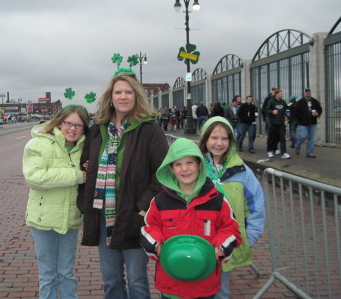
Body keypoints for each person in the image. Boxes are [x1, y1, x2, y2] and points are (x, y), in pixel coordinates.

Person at [78, 70, 169, 299]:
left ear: (136, 96)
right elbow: (84, 166)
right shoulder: (98, 130)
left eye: (128, 92)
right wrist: (84, 202)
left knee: (137, 280)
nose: (123, 97)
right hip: (102, 214)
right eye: (118, 92)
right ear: (110, 97)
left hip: (133, 215)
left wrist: (142, 206)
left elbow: (163, 173)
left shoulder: (149, 130)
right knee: (111, 280)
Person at [140, 138, 241, 299]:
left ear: (199, 165)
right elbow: (149, 228)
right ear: (171, 169)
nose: (185, 169)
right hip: (170, 283)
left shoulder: (217, 199)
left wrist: (221, 246)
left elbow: (230, 229)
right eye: (178, 164)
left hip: (204, 284)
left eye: (190, 163)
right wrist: (156, 244)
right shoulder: (160, 201)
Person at [22, 104, 90, 299]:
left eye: (79, 125)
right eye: (69, 123)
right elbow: (35, 178)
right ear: (60, 123)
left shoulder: (85, 148)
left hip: (70, 219)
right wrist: (77, 175)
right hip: (43, 219)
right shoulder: (38, 144)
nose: (73, 129)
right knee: (48, 274)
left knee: (67, 272)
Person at [198, 117, 265, 299]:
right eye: (214, 138)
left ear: (231, 141)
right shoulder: (194, 167)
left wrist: (249, 238)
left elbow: (255, 206)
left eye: (224, 138)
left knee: (221, 291)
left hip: (225, 244)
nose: (219, 143)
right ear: (205, 139)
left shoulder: (242, 171)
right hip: (198, 244)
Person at [294, 88, 323, 158]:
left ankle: (310, 153)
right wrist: (301, 119)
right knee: (304, 136)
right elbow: (296, 112)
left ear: (311, 92)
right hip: (303, 123)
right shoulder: (300, 102)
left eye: (309, 92)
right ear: (304, 93)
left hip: (313, 122)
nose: (308, 93)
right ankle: (297, 145)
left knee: (311, 138)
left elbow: (320, 109)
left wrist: (317, 113)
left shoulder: (315, 101)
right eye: (306, 92)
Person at [265, 89, 291, 159]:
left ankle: (284, 153)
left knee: (282, 138)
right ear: (276, 94)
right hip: (273, 123)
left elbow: (286, 109)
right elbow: (266, 110)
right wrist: (272, 111)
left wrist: (287, 113)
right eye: (280, 93)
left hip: (281, 123)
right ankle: (269, 151)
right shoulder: (271, 101)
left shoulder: (283, 102)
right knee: (272, 138)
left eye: (281, 93)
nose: (281, 95)